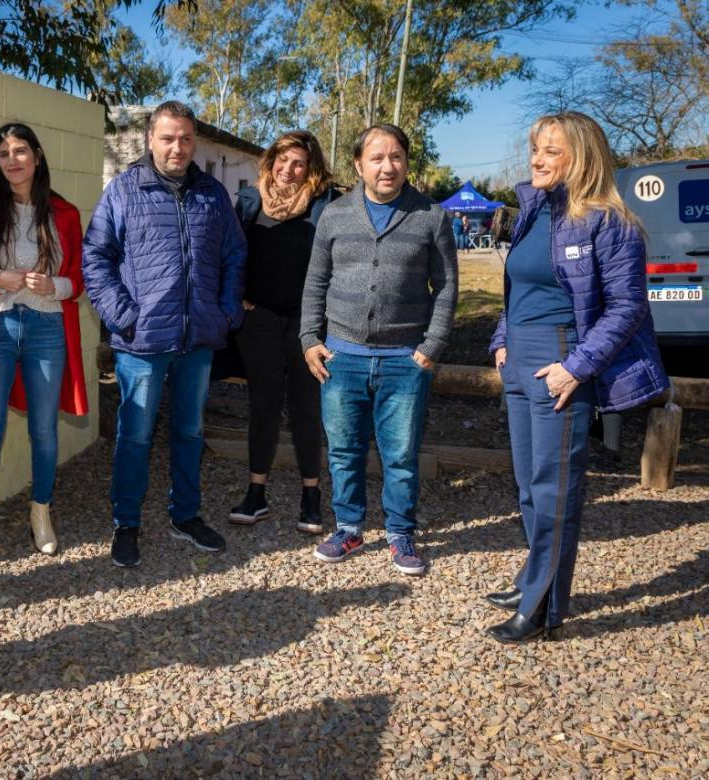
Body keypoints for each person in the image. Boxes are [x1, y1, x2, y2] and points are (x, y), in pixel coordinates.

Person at [484, 112, 669, 643]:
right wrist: (501, 339)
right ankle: (530, 577)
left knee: (555, 488)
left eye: (551, 151)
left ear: (581, 158)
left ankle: (544, 605)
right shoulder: (534, 210)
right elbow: (517, 285)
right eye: (536, 149)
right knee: (527, 484)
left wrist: (577, 366)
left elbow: (629, 305)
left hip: (562, 358)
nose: (537, 160)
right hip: (520, 356)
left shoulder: (609, 221)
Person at [83, 100, 246, 568]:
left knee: (190, 431)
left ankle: (185, 515)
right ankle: (127, 522)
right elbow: (96, 257)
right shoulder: (124, 191)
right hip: (142, 342)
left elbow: (235, 254)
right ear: (150, 140)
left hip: (197, 339)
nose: (178, 147)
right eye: (168, 138)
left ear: (194, 142)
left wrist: (227, 309)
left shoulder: (212, 194)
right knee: (134, 436)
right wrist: (122, 315)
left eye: (186, 138)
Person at [300, 123, 458, 577]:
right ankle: (348, 526)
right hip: (342, 357)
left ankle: (400, 532)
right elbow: (315, 282)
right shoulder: (334, 214)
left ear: (407, 162)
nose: (387, 166)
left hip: (404, 358)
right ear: (358, 165)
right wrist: (310, 339)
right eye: (377, 158)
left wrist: (431, 346)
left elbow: (446, 287)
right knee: (344, 450)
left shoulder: (431, 215)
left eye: (396, 157)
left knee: (401, 453)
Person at [0, 123, 88, 568]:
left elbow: (83, 279)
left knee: (44, 431)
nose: (12, 160)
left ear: (38, 155)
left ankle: (41, 514)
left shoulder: (64, 213)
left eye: (21, 151)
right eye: (4, 153)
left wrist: (58, 284)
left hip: (48, 327)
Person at [229, 130, 339, 533]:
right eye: (283, 160)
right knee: (264, 407)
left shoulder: (326, 203)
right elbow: (229, 251)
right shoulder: (248, 199)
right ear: (271, 160)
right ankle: (256, 493)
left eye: (299, 163)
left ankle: (311, 496)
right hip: (259, 320)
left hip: (308, 325)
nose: (289, 170)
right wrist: (236, 295)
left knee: (307, 409)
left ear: (311, 167)